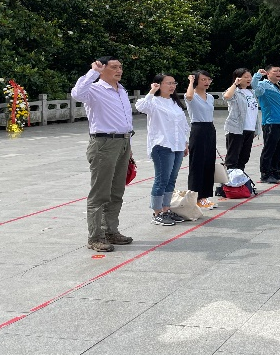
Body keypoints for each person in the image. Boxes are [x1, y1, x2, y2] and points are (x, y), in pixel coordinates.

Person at [70, 56, 135, 252]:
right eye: (114, 67)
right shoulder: (94, 89)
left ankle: (111, 231)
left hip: (123, 142)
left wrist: (128, 145)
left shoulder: (121, 90)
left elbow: (125, 120)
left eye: (120, 67)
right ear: (102, 69)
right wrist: (93, 72)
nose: (119, 70)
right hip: (104, 143)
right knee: (100, 193)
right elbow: (76, 94)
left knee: (116, 191)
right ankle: (95, 237)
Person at [135, 74, 190, 227]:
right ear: (159, 84)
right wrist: (152, 91)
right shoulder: (153, 101)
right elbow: (140, 106)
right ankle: (157, 212)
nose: (172, 86)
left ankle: (166, 209)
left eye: (174, 83)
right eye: (168, 83)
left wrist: (185, 143)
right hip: (162, 145)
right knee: (161, 180)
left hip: (177, 145)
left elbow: (182, 125)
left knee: (171, 180)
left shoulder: (174, 102)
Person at [253, 65, 280, 184]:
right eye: (275, 71)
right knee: (269, 149)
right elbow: (254, 86)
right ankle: (265, 174)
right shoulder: (263, 85)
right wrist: (257, 75)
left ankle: (276, 171)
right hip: (271, 121)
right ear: (268, 74)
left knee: (279, 149)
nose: (279, 73)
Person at [185, 70, 218, 210]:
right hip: (198, 128)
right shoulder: (192, 95)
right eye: (203, 79)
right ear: (196, 81)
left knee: (209, 163)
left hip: (210, 128)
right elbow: (188, 96)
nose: (207, 82)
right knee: (197, 163)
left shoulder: (210, 97)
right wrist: (191, 82)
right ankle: (195, 196)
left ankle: (205, 196)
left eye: (208, 79)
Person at [223, 68, 260, 171]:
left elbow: (254, 111)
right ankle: (230, 178)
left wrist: (255, 129)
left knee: (244, 157)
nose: (249, 79)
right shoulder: (235, 91)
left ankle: (240, 178)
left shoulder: (251, 92)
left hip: (250, 128)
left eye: (250, 77)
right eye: (246, 77)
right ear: (238, 78)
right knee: (233, 158)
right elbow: (226, 97)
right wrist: (235, 84)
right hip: (236, 129)